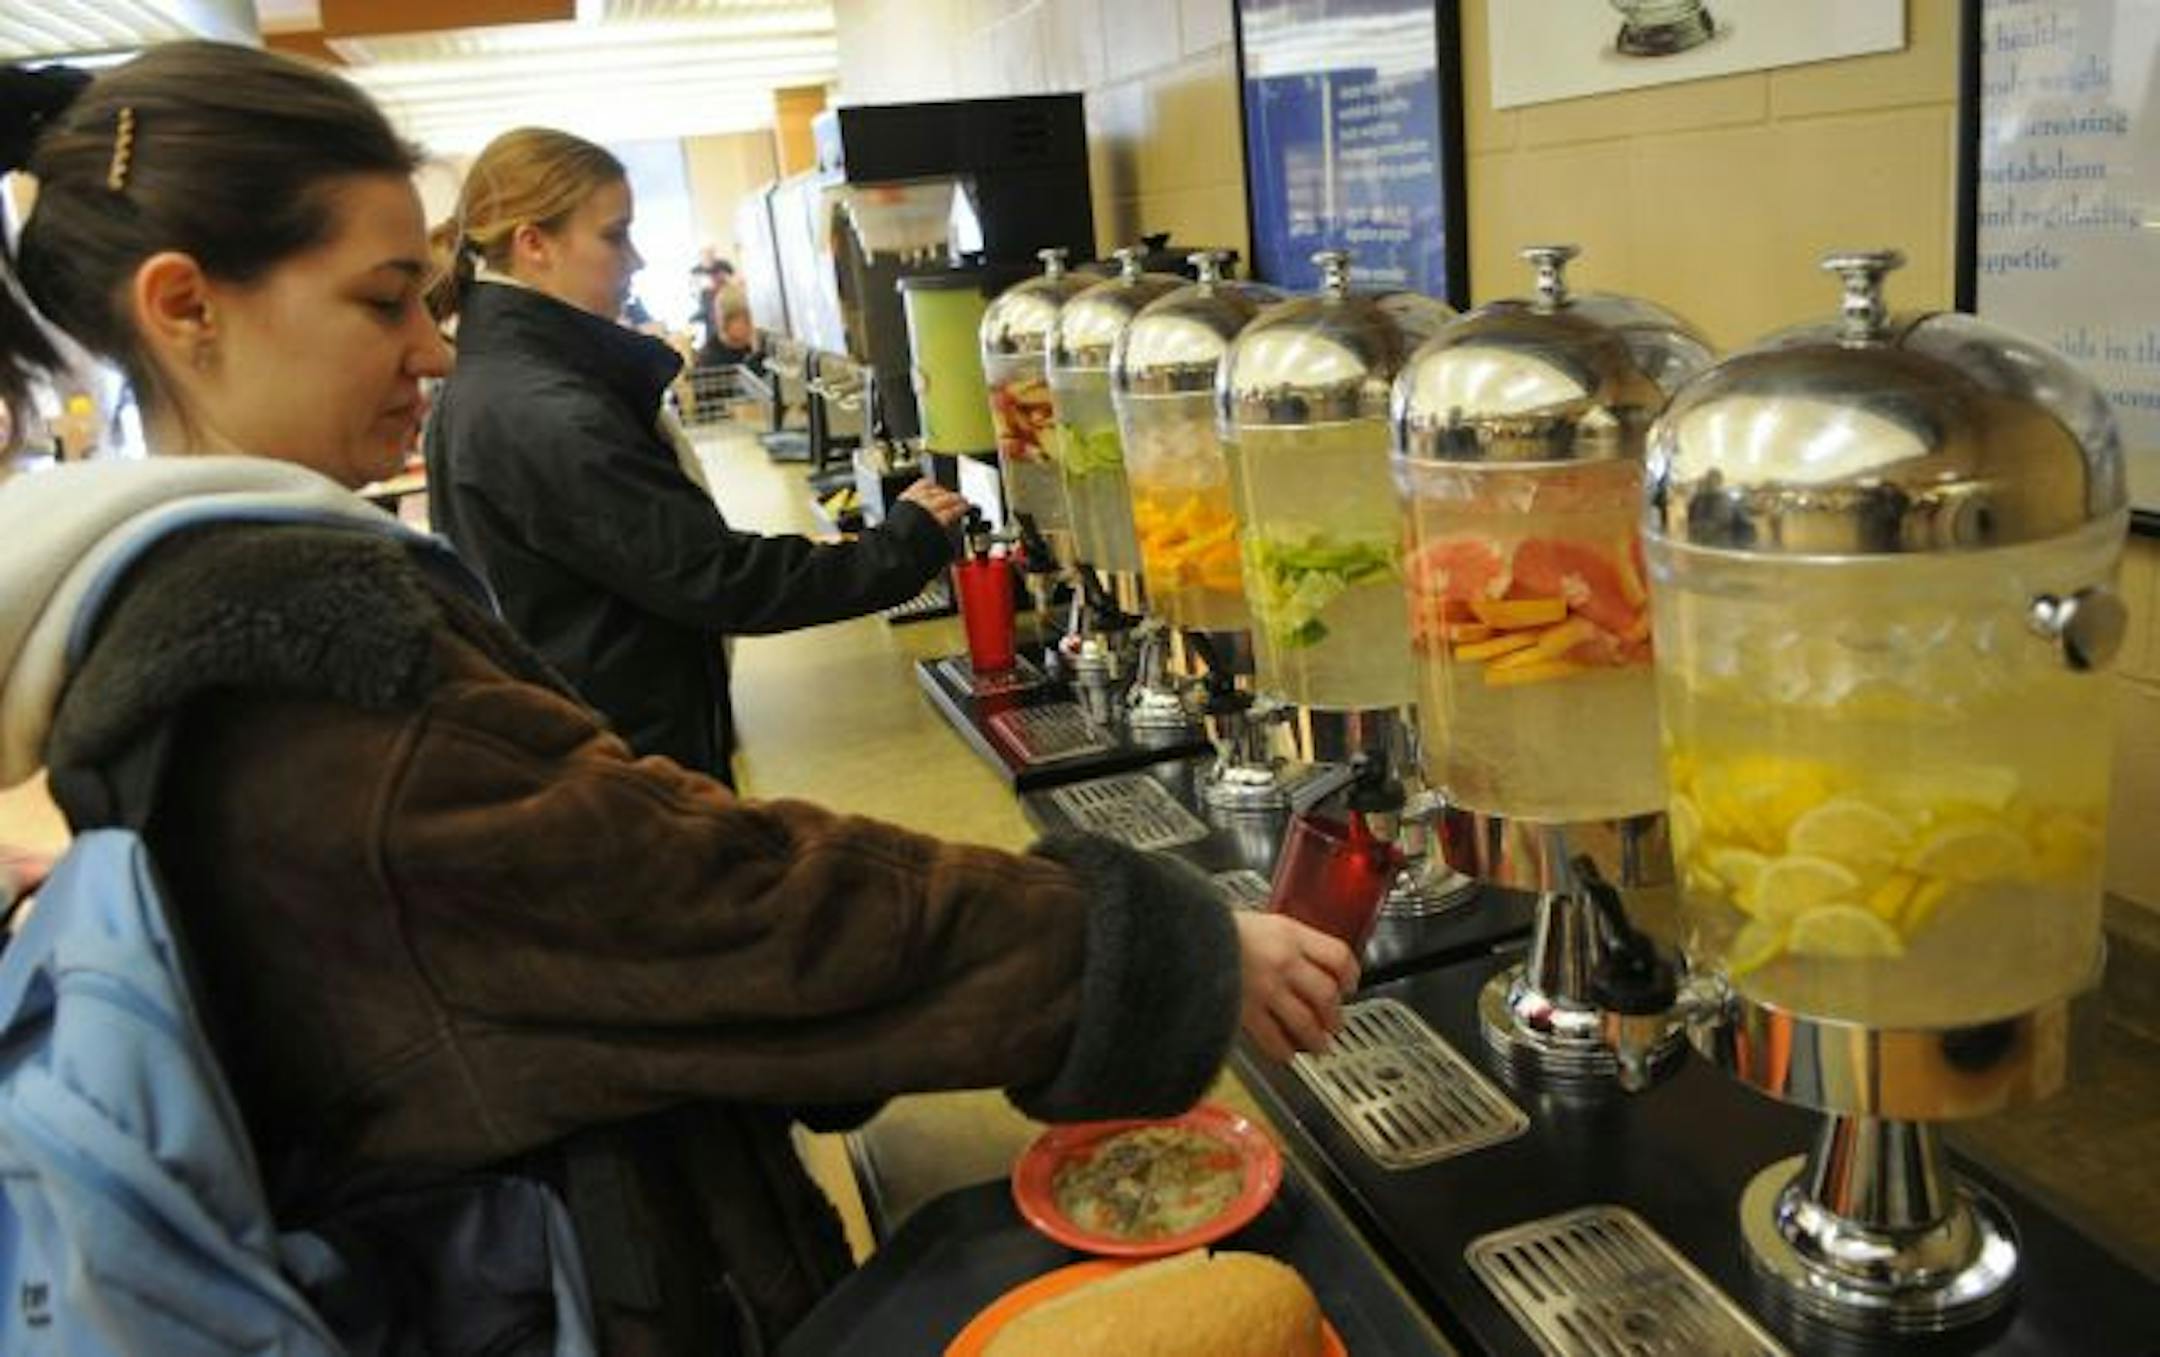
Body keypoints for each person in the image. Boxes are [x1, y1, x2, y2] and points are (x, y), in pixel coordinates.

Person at [0, 43, 1357, 1353]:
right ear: (185, 307)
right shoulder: (298, 665)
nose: (431, 346)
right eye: (383, 300)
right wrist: (1153, 952)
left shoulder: (174, 612)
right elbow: (709, 902)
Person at [423, 130, 943, 784]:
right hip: (623, 766)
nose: (635, 260)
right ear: (534, 243)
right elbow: (714, 575)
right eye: (615, 236)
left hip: (593, 749)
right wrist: (903, 546)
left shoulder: (496, 378)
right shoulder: (548, 413)